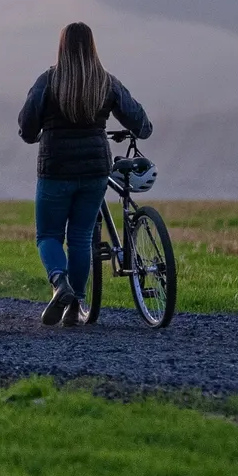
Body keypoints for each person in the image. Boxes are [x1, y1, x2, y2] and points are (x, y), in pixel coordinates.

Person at [18, 21, 151, 326]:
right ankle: (75, 304)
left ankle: (58, 282)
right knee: (80, 238)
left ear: (61, 46)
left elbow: (26, 126)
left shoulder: (48, 81)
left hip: (55, 168)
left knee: (49, 235)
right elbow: (139, 120)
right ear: (93, 46)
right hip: (95, 170)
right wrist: (142, 130)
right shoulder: (106, 82)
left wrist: (34, 134)